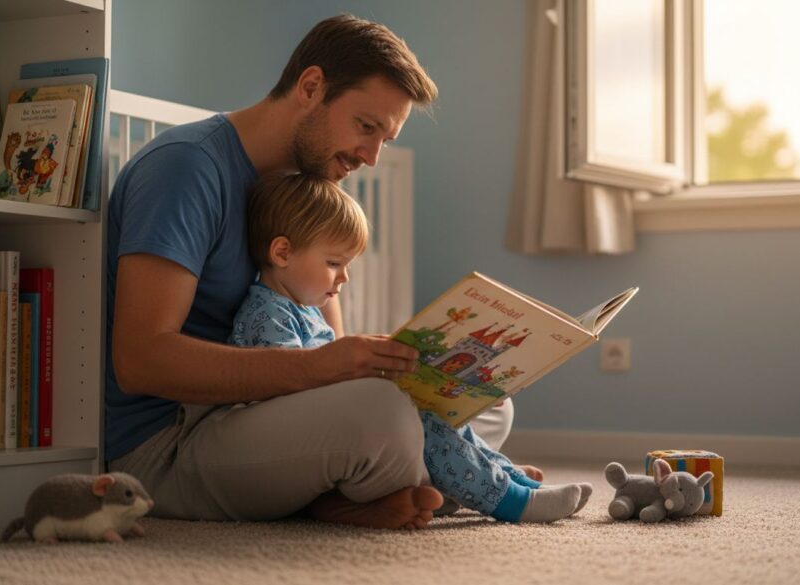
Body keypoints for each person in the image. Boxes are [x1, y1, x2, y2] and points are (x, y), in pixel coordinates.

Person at [105, 14, 526, 530]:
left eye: (384, 140)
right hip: (173, 441)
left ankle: (364, 489)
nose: (370, 157)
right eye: (366, 127)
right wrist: (326, 369)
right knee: (382, 415)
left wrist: (398, 366)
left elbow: (330, 348)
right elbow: (140, 360)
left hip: (267, 419)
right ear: (310, 87)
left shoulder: (310, 192)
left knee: (485, 404)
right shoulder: (187, 169)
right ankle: (443, 480)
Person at [232, 173, 591, 523]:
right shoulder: (267, 312)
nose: (344, 277)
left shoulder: (303, 308)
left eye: (347, 265)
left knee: (447, 411)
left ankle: (498, 474)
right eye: (333, 263)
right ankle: (509, 500)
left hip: (347, 427)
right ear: (282, 252)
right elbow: (286, 389)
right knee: (422, 419)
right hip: (306, 440)